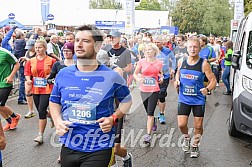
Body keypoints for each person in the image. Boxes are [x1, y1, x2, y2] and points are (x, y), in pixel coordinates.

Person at [49, 24, 132, 167]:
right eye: (77, 40)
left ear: (98, 46)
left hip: (99, 146)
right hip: (69, 144)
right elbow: (54, 100)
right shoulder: (63, 74)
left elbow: (127, 101)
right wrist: (57, 121)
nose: (79, 45)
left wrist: (113, 118)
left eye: (86, 41)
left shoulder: (111, 76)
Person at [174, 38, 216, 158]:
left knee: (198, 126)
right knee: (181, 124)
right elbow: (178, 74)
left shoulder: (204, 64)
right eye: (190, 47)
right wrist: (177, 81)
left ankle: (195, 145)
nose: (192, 49)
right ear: (187, 48)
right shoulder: (181, 61)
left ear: (199, 48)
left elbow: (213, 80)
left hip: (198, 100)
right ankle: (187, 138)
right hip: (184, 99)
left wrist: (207, 89)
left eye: (195, 47)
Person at [47, 42, 75, 163]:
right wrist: (51, 80)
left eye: (68, 51)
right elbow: (50, 77)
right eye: (64, 51)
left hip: (74, 98)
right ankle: (63, 152)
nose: (66, 53)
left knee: (72, 124)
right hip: (60, 97)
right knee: (63, 125)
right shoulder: (58, 64)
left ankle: (69, 151)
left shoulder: (78, 64)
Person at [24, 39, 56, 144]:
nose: (37, 49)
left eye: (40, 47)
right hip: (36, 89)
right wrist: (29, 80)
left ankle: (40, 135)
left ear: (45, 48)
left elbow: (56, 73)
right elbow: (27, 73)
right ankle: (51, 117)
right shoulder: (31, 61)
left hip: (47, 89)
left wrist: (51, 76)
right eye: (36, 47)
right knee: (41, 110)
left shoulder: (51, 60)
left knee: (41, 111)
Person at [133, 43, 163, 144]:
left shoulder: (159, 63)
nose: (147, 52)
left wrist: (161, 78)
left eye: (150, 49)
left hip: (154, 90)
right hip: (144, 89)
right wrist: (138, 79)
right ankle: (153, 120)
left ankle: (148, 134)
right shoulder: (141, 62)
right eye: (146, 50)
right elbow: (135, 74)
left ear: (154, 51)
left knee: (150, 113)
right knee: (147, 111)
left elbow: (160, 73)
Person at [0, 37, 21, 132]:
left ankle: (15, 116)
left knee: (0, 105)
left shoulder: (5, 53)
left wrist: (11, 76)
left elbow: (17, 64)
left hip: (5, 82)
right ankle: (9, 121)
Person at [153, 35, 176, 124]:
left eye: (158, 42)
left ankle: (162, 114)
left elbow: (173, 59)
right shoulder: (152, 51)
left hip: (165, 75)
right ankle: (152, 115)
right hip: (154, 76)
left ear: (162, 42)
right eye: (154, 42)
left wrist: (173, 69)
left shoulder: (167, 51)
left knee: (161, 95)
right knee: (154, 96)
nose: (156, 44)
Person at [19, 39, 37, 118]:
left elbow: (38, 61)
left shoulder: (38, 52)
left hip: (37, 74)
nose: (29, 49)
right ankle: (31, 110)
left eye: (31, 47)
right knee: (28, 92)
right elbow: (27, 63)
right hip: (29, 73)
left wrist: (28, 60)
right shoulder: (27, 52)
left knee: (39, 93)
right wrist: (24, 60)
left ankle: (44, 109)